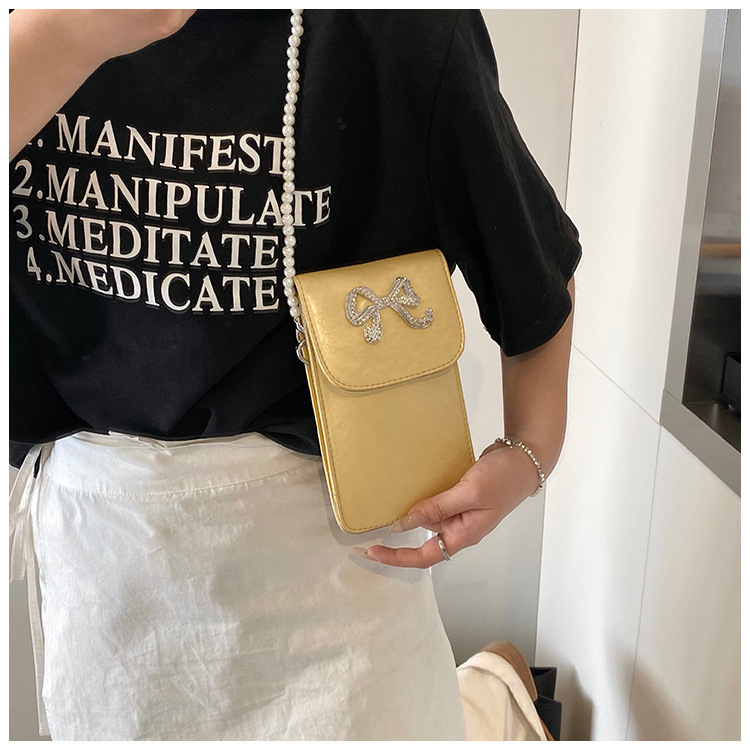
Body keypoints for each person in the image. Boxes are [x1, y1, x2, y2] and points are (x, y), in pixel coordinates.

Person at [9, 9, 582, 741]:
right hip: (106, 585)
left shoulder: (398, 26)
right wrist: (60, 38)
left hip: (337, 587)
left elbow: (533, 265)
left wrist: (531, 451)